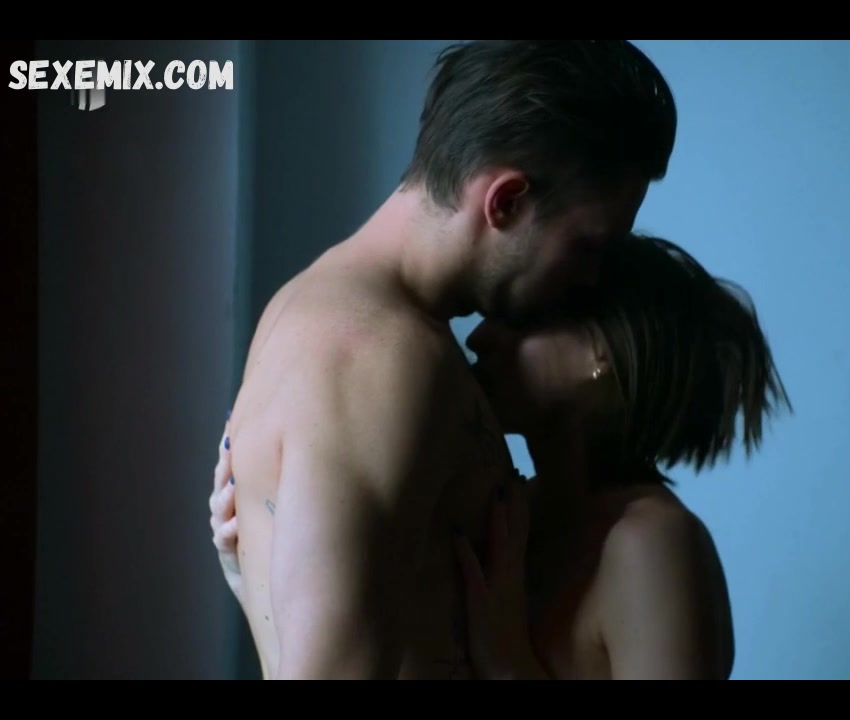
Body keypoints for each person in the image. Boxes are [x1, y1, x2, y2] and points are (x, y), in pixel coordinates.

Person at [220, 40, 677, 680]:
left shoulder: (323, 312)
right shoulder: (378, 357)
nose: (591, 279)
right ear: (507, 201)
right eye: (586, 245)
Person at [210, 232, 792, 679]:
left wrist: (510, 661)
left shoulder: (652, 544)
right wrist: (251, 570)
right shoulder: (509, 512)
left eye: (519, 321)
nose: (479, 337)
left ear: (598, 351)